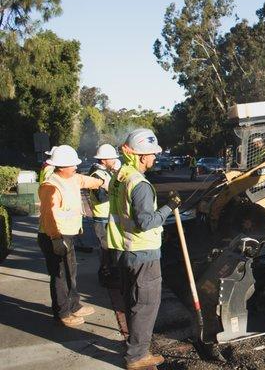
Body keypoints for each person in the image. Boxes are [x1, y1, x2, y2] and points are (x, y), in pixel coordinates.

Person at [107, 128, 181, 370]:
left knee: (131, 301)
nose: (154, 158)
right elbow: (146, 222)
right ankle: (137, 356)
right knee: (146, 306)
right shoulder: (140, 184)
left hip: (123, 249)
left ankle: (134, 347)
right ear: (141, 156)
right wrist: (169, 207)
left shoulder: (121, 176)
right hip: (142, 254)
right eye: (152, 154)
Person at [38, 145, 105, 327]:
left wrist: (103, 181)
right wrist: (56, 238)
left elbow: (85, 181)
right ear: (62, 166)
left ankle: (74, 305)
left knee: (70, 273)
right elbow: (48, 215)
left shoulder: (72, 178)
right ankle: (63, 313)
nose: (76, 167)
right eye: (72, 165)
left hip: (67, 235)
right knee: (60, 275)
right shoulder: (50, 187)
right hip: (54, 236)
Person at [88, 144, 120, 287]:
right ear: (104, 159)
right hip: (102, 219)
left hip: (107, 217)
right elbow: (100, 197)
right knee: (106, 250)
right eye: (112, 157)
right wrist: (113, 192)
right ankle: (105, 278)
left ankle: (110, 275)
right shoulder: (97, 175)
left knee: (111, 249)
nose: (114, 160)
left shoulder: (105, 172)